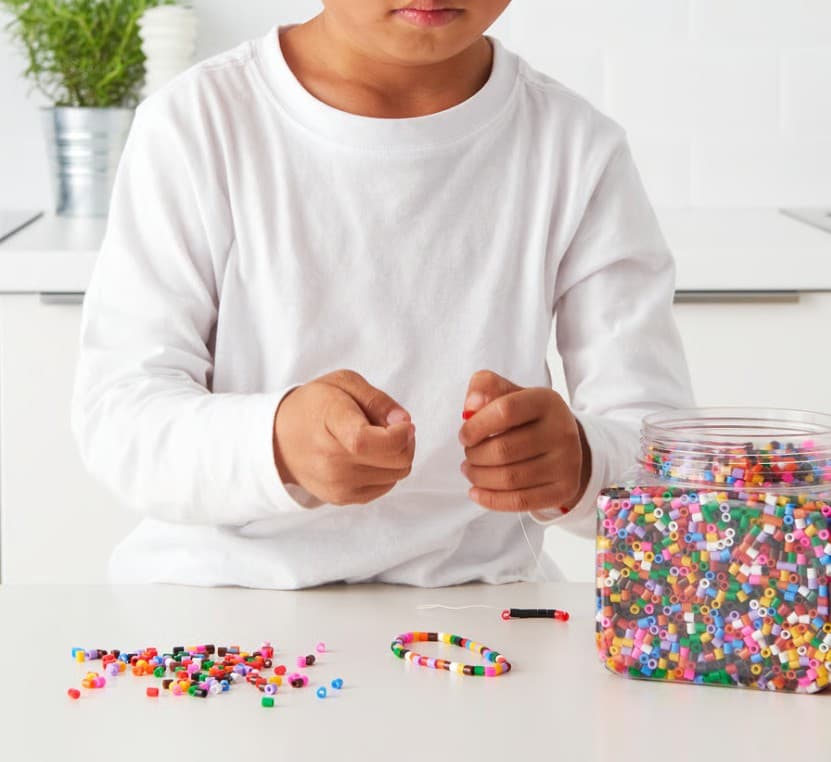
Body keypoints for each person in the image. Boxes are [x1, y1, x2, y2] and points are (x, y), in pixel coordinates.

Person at [70, 0, 693, 588]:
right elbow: (120, 415)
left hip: (481, 612)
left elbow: (662, 452)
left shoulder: (577, 148)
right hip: (214, 598)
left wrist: (580, 464)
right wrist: (277, 441)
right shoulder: (197, 124)